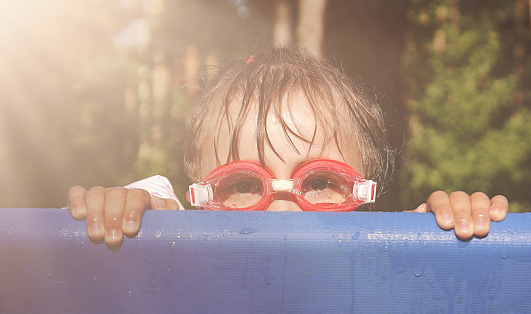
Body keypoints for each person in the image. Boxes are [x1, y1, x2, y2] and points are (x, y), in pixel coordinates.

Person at [68, 46, 508, 249]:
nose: (283, 214)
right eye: (243, 183)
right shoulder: (174, 268)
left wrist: (442, 238)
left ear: (364, 199)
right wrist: (132, 215)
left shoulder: (392, 268)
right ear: (200, 200)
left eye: (318, 182)